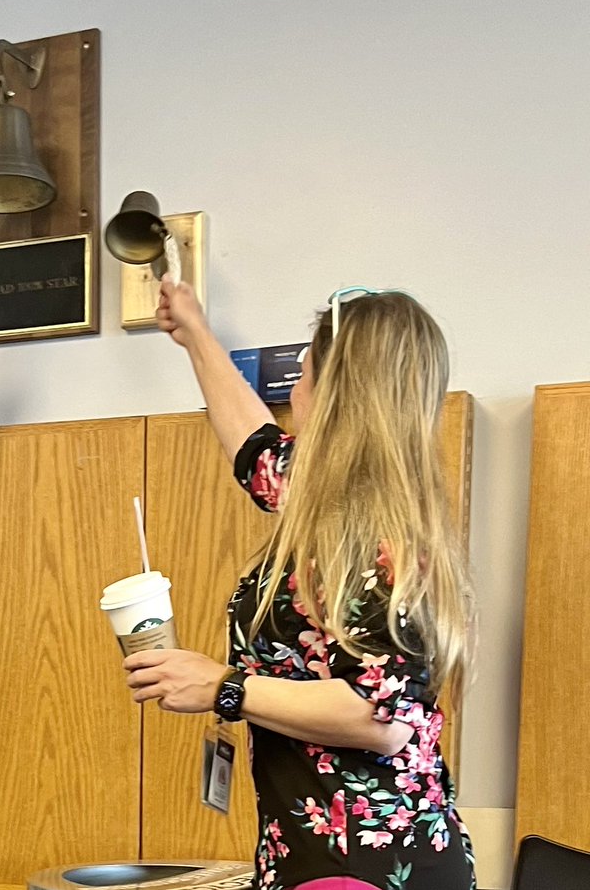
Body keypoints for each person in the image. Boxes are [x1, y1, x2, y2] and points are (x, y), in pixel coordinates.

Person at [124, 281, 476, 890]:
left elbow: (378, 715)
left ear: (340, 398)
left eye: (306, 376)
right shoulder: (331, 505)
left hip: (360, 868)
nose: (293, 391)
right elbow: (255, 449)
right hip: (316, 851)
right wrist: (195, 335)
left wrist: (224, 687)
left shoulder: (380, 542)